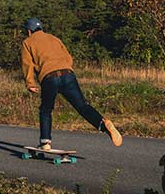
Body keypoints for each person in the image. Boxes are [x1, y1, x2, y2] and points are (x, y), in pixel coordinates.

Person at [20, 17, 122, 150]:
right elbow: (68, 58)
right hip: (68, 74)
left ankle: (45, 143)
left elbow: (27, 64)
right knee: (82, 106)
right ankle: (103, 124)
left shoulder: (28, 42)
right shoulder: (54, 39)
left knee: (46, 110)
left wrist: (30, 83)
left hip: (49, 77)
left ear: (29, 31)